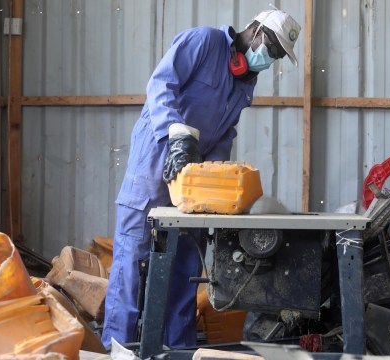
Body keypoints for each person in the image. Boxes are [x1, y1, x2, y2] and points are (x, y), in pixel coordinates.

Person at [101, 8, 301, 349]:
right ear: (254, 31)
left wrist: (216, 178)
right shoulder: (204, 41)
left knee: (185, 265)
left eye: (278, 55)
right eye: (271, 48)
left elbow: (225, 132)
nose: (271, 58)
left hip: (194, 183)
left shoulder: (245, 82)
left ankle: (179, 350)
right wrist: (176, 135)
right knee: (132, 262)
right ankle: (116, 349)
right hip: (154, 162)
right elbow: (161, 83)